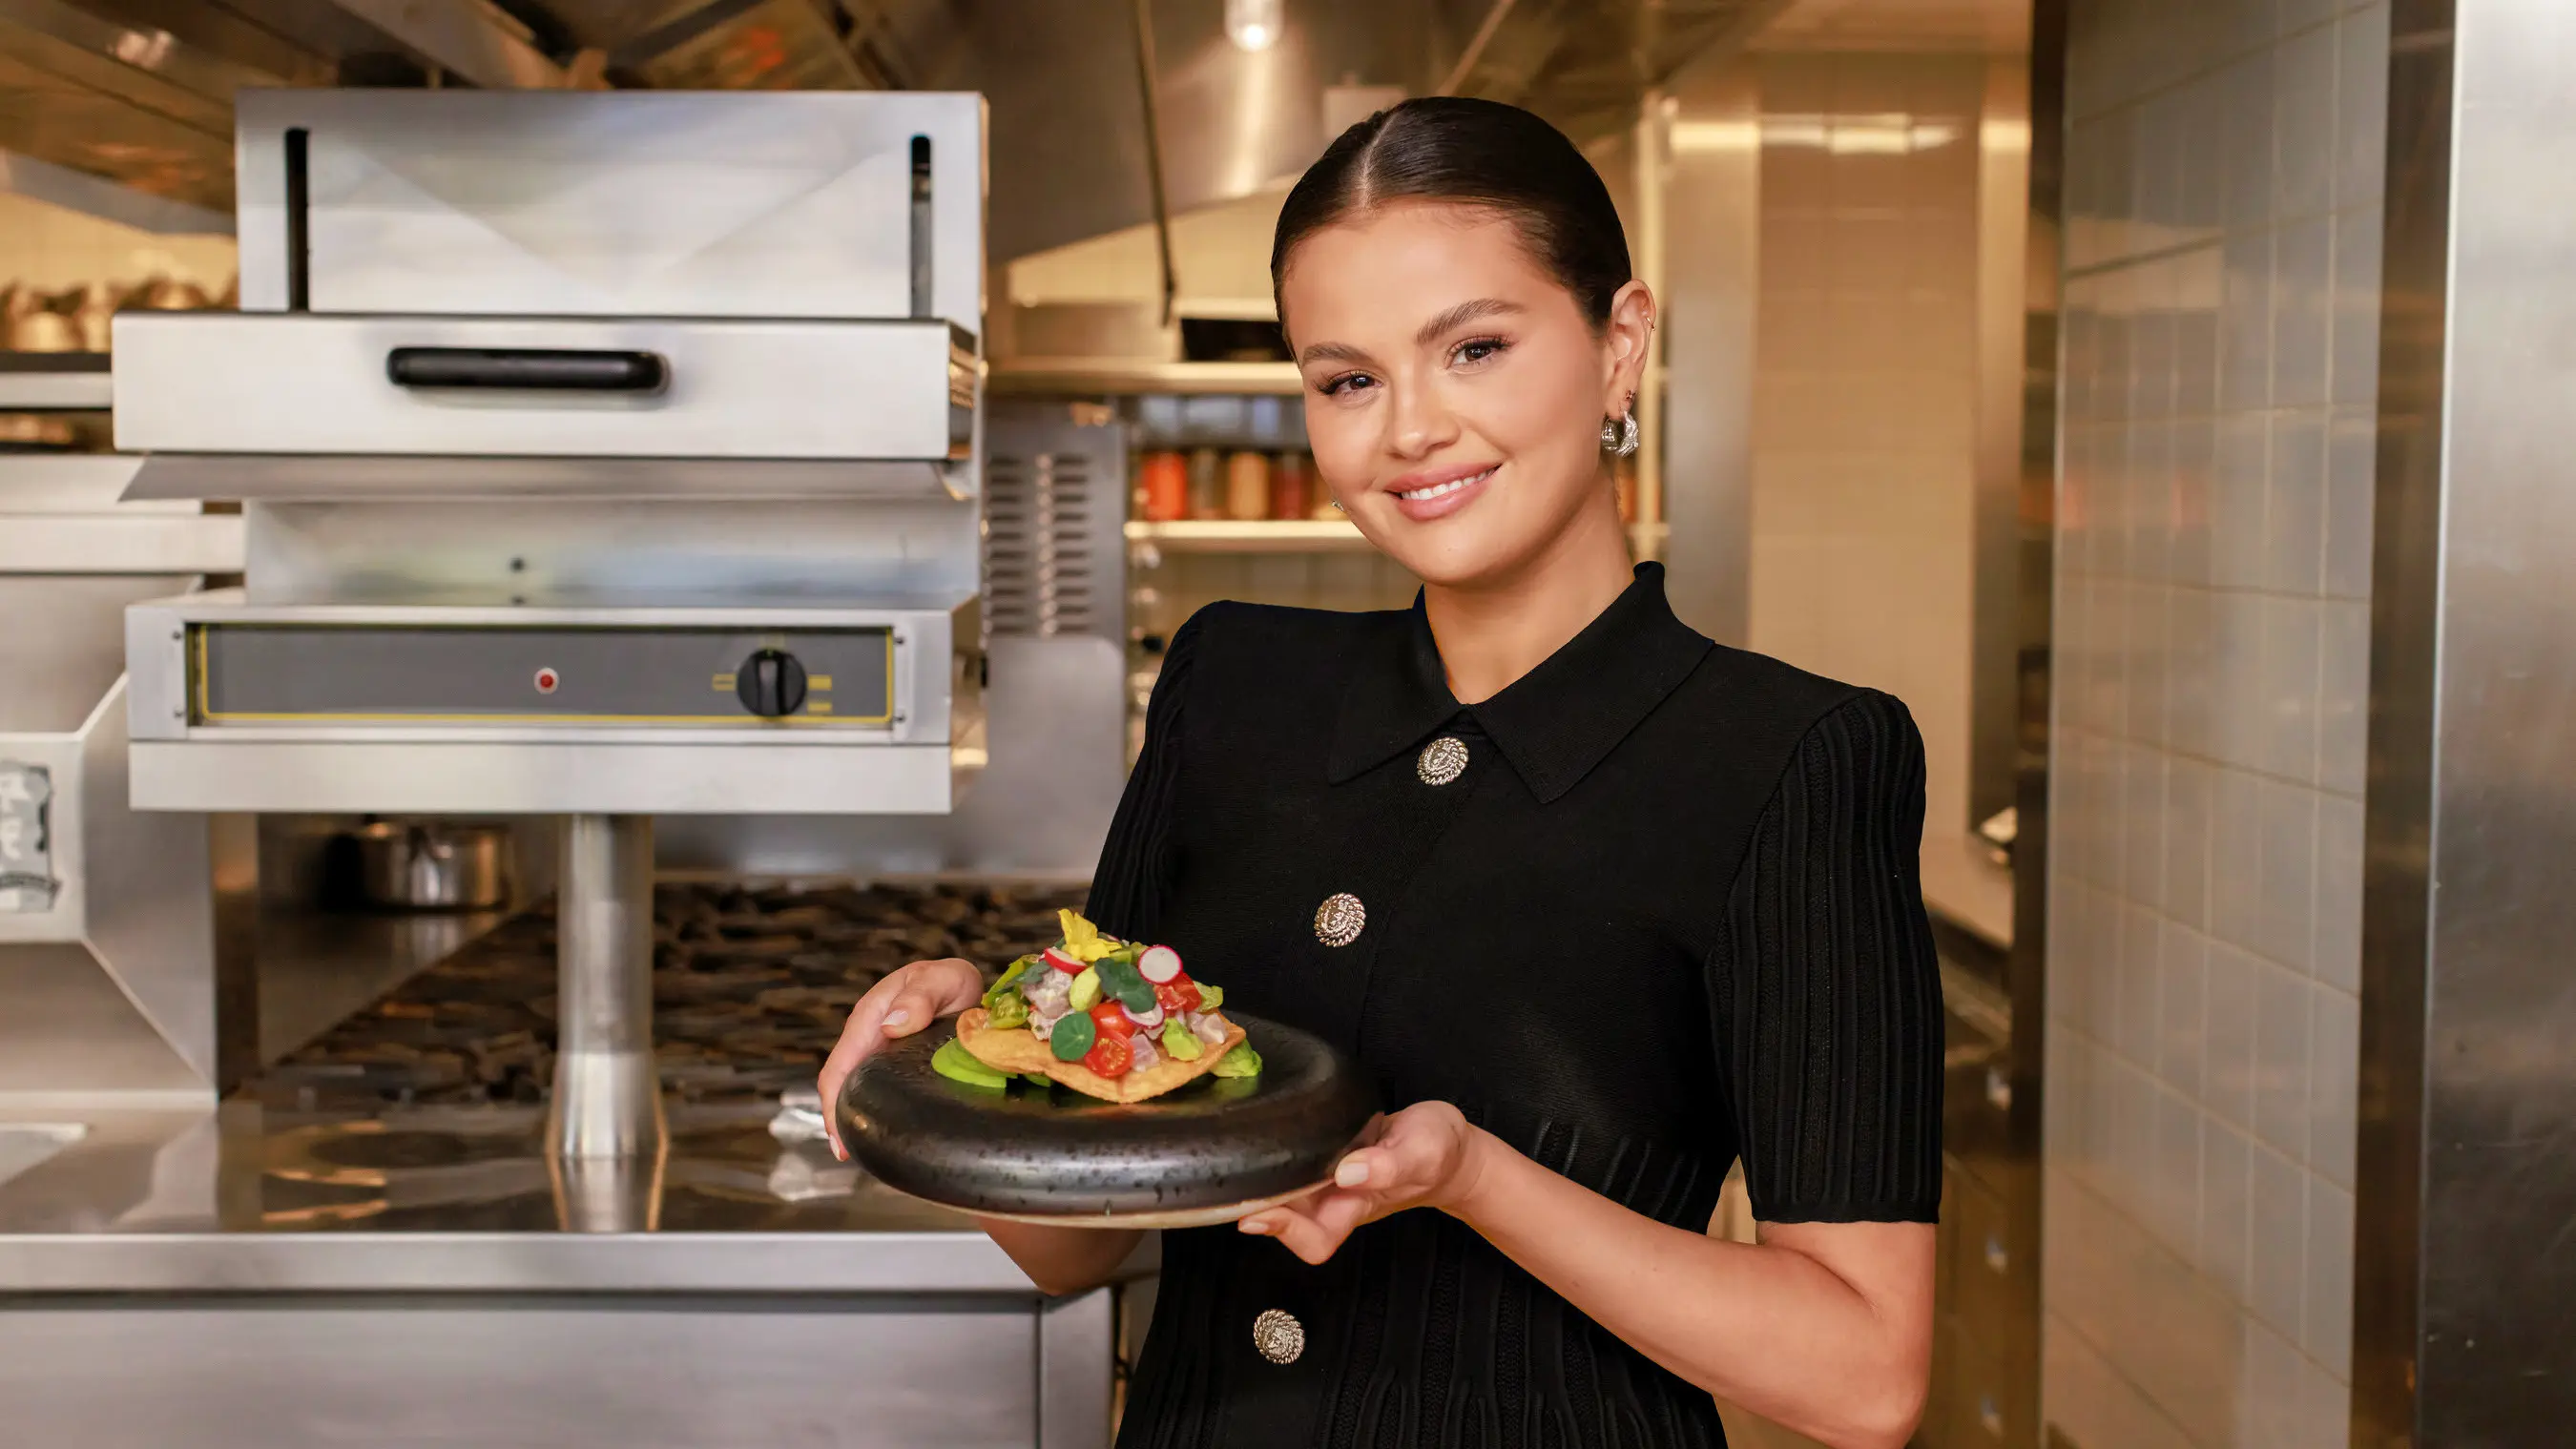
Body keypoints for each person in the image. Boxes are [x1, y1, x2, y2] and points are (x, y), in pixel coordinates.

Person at [822, 96, 1942, 1449]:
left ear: (1619, 344)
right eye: (1347, 378)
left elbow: (1866, 1375)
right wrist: (955, 1071)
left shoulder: (1790, 759)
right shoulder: (1233, 684)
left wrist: (1474, 1175)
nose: (1409, 429)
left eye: (1474, 348)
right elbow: (1073, 1243)